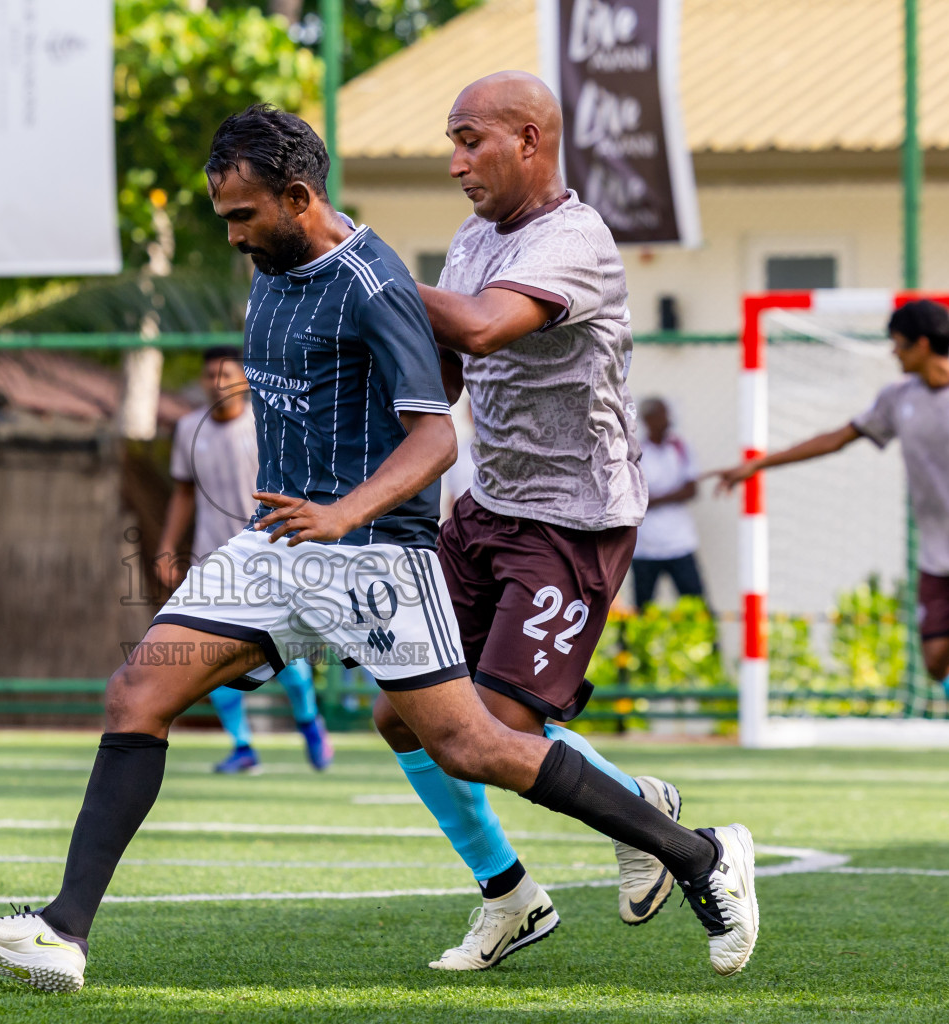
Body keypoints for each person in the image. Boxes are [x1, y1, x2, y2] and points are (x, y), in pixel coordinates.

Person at [0, 103, 756, 993]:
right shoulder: (275, 266)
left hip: (374, 557)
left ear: (296, 197)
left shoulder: (375, 282)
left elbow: (436, 438)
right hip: (277, 545)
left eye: (245, 216)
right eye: (225, 218)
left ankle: (692, 852)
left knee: (475, 744)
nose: (235, 235)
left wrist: (346, 511)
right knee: (137, 689)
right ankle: (62, 933)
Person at [369, 72, 717, 972]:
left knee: (487, 726)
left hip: (574, 522)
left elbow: (483, 328)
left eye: (469, 140)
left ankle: (639, 803)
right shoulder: (473, 238)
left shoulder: (579, 240)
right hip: (486, 509)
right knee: (402, 712)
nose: (455, 163)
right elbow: (452, 368)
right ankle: (511, 896)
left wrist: (365, 279)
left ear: (530, 139)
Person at [716, 299, 949, 809]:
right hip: (939, 550)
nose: (892, 352)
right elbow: (838, 439)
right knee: (937, 664)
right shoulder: (897, 398)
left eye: (897, 342)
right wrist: (758, 465)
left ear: (923, 343)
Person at [157, 346, 332, 773]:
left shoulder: (264, 423)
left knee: (280, 651)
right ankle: (242, 746)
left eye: (226, 373)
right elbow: (183, 492)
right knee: (205, 654)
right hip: (211, 560)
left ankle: (308, 721)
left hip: (268, 556)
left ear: (244, 378)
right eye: (210, 374)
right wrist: (167, 546)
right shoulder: (187, 429)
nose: (217, 382)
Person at [631, 397, 707, 608]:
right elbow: (633, 496)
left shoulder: (681, 447)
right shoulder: (637, 451)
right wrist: (667, 496)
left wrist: (653, 500)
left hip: (679, 541)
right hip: (645, 545)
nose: (666, 420)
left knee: (696, 606)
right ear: (648, 419)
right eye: (660, 415)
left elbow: (690, 490)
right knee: (643, 609)